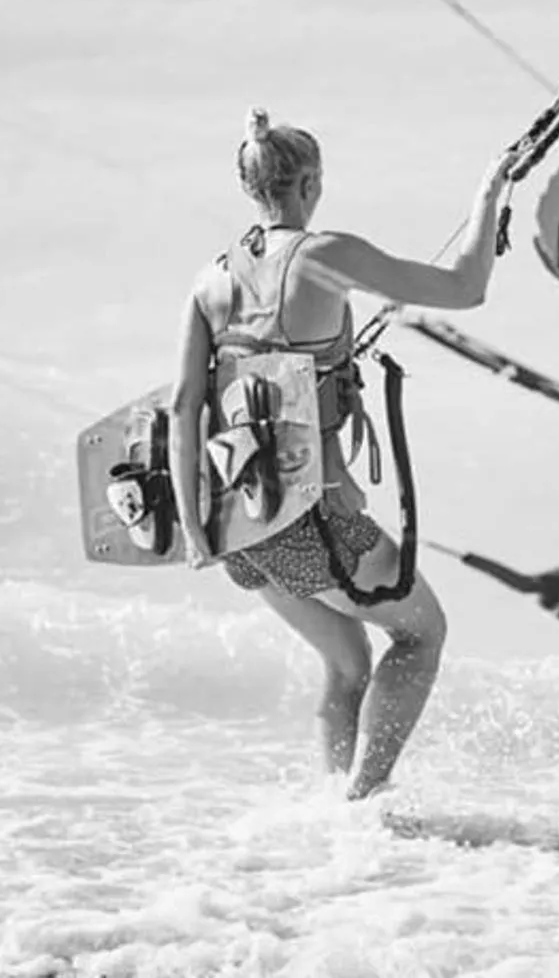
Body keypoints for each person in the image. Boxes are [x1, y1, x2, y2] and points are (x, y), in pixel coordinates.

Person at [167, 108, 516, 801]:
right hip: (310, 521)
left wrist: (197, 534)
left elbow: (184, 408)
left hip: (237, 529)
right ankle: (364, 802)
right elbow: (464, 288)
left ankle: (331, 814)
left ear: (250, 188)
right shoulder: (326, 255)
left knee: (348, 663)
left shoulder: (208, 281)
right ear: (311, 181)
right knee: (422, 635)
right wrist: (489, 194)